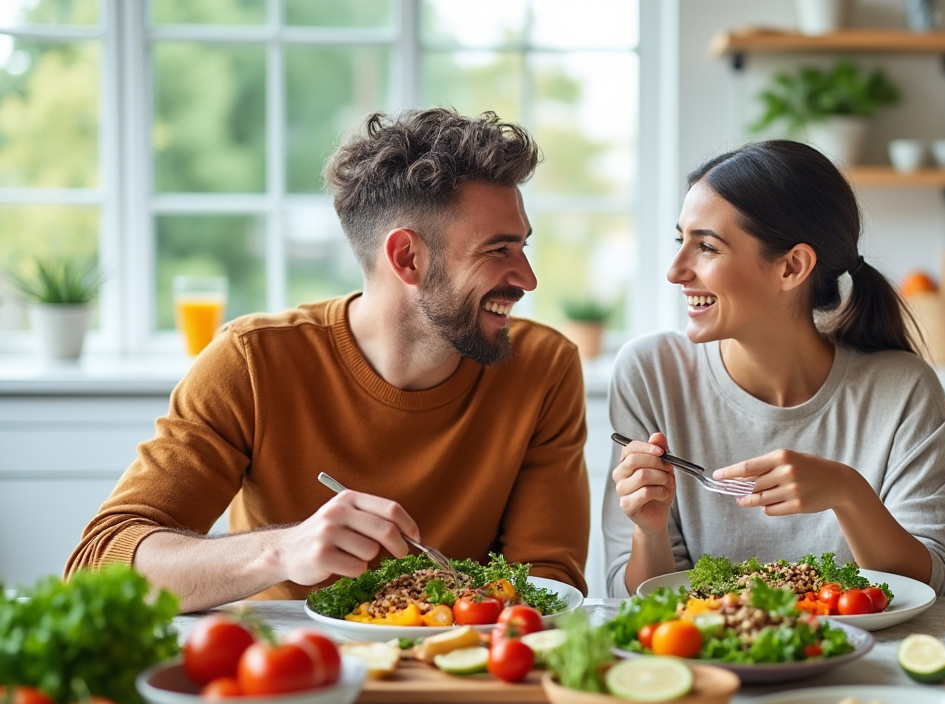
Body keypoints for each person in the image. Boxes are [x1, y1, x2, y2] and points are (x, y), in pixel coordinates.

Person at [66, 108, 590, 613]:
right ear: (407, 257)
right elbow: (99, 568)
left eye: (522, 247)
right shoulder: (252, 361)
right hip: (284, 669)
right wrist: (282, 552)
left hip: (465, 664)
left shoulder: (544, 366)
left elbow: (549, 584)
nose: (527, 278)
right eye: (498, 250)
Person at [603, 139, 945, 598]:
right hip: (709, 663)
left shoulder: (904, 390)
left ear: (792, 267)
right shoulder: (650, 373)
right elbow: (628, 597)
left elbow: (938, 589)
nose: (675, 271)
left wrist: (849, 494)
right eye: (681, 241)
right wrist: (649, 531)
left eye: (706, 247)